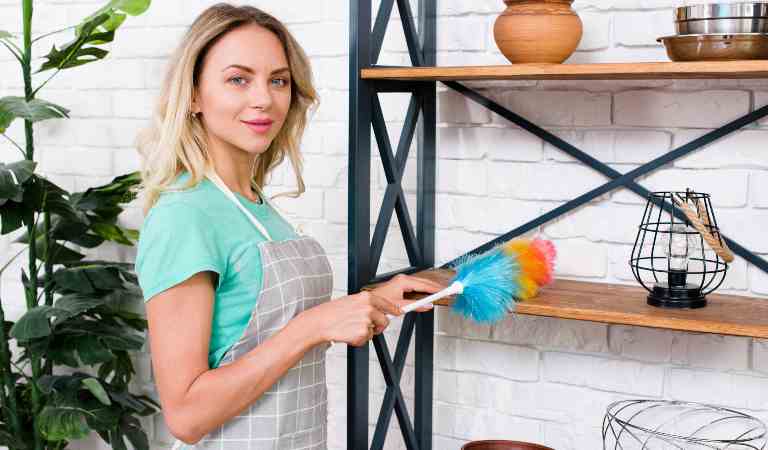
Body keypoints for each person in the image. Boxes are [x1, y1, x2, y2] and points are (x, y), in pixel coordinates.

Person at [134, 3, 442, 449]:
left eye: (278, 80)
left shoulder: (257, 206)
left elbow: (264, 328)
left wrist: (371, 301)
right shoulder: (185, 215)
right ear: (195, 95)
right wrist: (313, 326)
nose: (264, 98)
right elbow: (186, 414)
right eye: (238, 79)